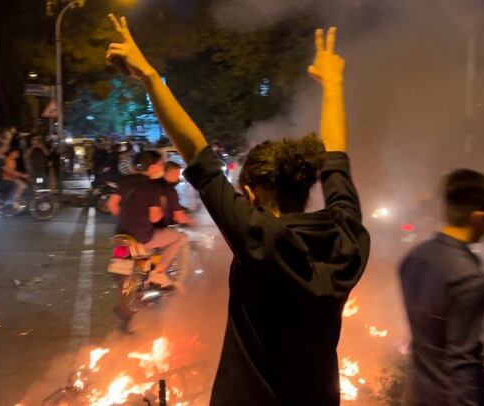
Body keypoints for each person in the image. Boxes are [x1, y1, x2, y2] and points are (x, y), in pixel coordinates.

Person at [106, 16, 369, 404]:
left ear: (249, 192)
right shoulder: (346, 238)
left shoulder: (257, 239)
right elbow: (336, 161)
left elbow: (196, 152)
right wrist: (334, 85)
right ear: (308, 184)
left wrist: (148, 77)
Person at [399, 170, 484, 406]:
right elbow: (462, 364)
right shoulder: (468, 278)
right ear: (479, 217)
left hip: (417, 395)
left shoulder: (414, 259)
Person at [107, 150, 187, 288]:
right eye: (161, 164)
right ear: (152, 167)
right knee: (179, 238)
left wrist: (127, 218)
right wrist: (163, 208)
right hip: (143, 236)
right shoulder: (153, 186)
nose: (163, 167)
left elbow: (112, 204)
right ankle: (159, 272)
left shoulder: (126, 180)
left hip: (122, 233)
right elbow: (155, 218)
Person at [156, 161, 193, 227]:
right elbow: (180, 218)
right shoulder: (170, 190)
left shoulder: (153, 184)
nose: (178, 177)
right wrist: (191, 221)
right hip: (162, 227)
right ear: (170, 173)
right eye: (177, 174)